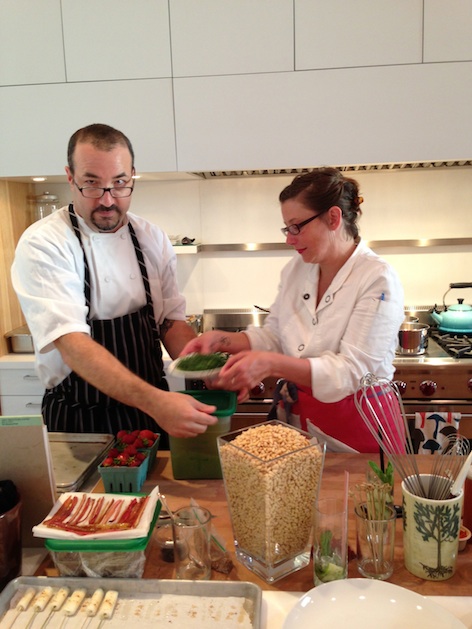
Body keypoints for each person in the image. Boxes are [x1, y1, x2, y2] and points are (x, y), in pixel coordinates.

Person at [11, 123, 216, 445]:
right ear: (70, 177)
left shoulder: (152, 238)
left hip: (150, 416)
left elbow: (170, 323)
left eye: (120, 184)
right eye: (92, 185)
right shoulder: (45, 243)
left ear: (133, 175)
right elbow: (72, 344)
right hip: (79, 419)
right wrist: (157, 401)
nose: (108, 201)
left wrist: (209, 372)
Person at [181, 167, 405, 453]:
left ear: (333, 218)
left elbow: (351, 373)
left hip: (361, 424)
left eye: (297, 226)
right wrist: (224, 341)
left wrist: (271, 364)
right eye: (287, 228)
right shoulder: (297, 269)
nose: (290, 238)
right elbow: (276, 335)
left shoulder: (378, 278)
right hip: (305, 418)